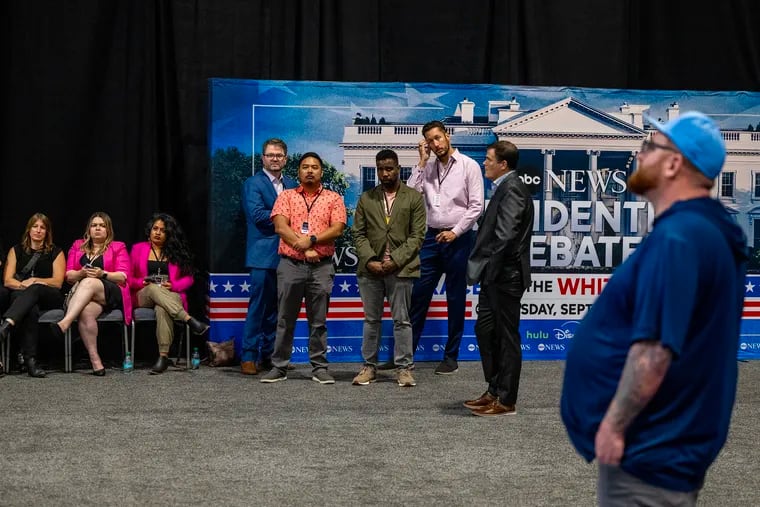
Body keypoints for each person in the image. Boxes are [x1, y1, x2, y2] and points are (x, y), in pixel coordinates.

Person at [561, 112, 748, 504]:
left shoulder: (679, 237)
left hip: (650, 450)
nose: (640, 155)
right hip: (668, 444)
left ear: (673, 163)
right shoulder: (702, 230)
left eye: (649, 147)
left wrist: (613, 425)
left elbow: (654, 352)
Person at [401, 120, 484, 374]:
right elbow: (409, 195)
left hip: (458, 238)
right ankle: (407, 356)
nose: (435, 144)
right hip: (430, 238)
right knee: (418, 296)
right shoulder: (428, 167)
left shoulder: (469, 166)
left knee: (455, 297)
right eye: (429, 141)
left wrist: (455, 232)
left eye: (437, 138)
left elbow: (476, 206)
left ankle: (451, 356)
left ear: (447, 136)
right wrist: (421, 162)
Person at [260, 152, 346, 384]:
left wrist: (313, 240)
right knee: (285, 318)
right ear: (298, 172)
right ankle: (279, 366)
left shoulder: (333, 198)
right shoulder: (286, 196)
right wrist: (302, 245)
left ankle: (319, 368)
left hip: (321, 267)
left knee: (318, 321)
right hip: (291, 265)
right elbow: (280, 226)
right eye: (305, 167)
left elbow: (338, 228)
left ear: (321, 171)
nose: (310, 170)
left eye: (315, 167)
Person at [463, 141, 534, 416]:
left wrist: (488, 273)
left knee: (506, 339)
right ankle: (493, 390)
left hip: (505, 276)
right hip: (495, 276)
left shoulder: (513, 189)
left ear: (503, 164)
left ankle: (506, 400)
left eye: (489, 159)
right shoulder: (504, 187)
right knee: (485, 331)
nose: (484, 163)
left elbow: (504, 238)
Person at [351, 149, 426, 387]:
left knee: (402, 320)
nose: (385, 173)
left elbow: (417, 236)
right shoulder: (366, 198)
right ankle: (368, 367)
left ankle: (404, 369)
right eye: (381, 169)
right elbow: (358, 234)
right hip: (370, 270)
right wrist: (370, 260)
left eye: (389, 168)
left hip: (401, 269)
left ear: (398, 168)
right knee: (371, 320)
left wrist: (395, 260)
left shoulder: (413, 197)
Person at [240, 138, 297, 375]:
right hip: (262, 256)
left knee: (278, 310)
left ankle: (272, 356)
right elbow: (257, 215)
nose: (275, 158)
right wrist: (286, 218)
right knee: (258, 308)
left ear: (285, 159)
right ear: (263, 158)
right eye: (270, 155)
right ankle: (249, 356)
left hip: (288, 255)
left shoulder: (293, 183)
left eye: (279, 155)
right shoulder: (252, 183)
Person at [51, 212, 132, 376]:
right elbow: (69, 276)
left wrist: (103, 274)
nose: (98, 229)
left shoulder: (118, 246)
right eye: (94, 225)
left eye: (102, 226)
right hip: (86, 295)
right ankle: (96, 362)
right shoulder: (77, 245)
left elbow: (123, 276)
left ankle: (65, 323)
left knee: (90, 282)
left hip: (111, 292)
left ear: (108, 230)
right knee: (86, 312)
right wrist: (81, 273)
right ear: (89, 229)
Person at [130, 213, 209, 374]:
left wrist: (173, 285)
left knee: (162, 308)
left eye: (163, 230)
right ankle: (189, 319)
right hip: (143, 294)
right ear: (150, 231)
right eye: (155, 229)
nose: (157, 233)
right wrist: (141, 282)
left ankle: (163, 357)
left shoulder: (176, 252)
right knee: (153, 288)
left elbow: (189, 279)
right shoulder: (138, 249)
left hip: (169, 295)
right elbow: (128, 277)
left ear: (169, 234)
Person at [0, 213, 65, 378]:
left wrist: (35, 281)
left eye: (42, 228)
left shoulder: (56, 252)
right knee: (29, 307)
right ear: (29, 230)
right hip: (22, 295)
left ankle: (6, 325)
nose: (38, 230)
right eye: (35, 227)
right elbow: (8, 280)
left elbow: (57, 282)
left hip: (49, 296)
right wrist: (25, 285)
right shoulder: (16, 250)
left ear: (47, 232)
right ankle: (30, 361)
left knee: (34, 289)